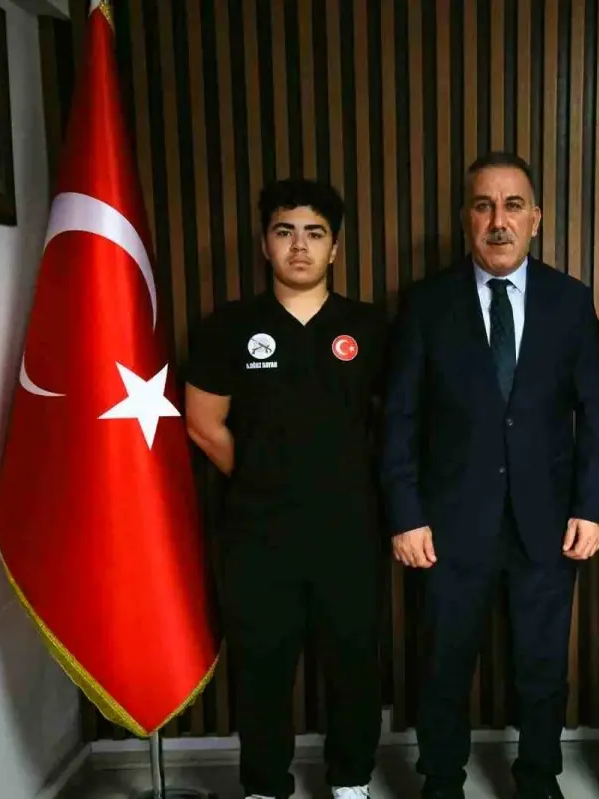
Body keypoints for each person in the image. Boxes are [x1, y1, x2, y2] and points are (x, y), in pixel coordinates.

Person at [381, 151, 599, 799]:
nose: (498, 221)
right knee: (443, 666)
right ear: (465, 218)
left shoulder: (570, 301)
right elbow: (399, 418)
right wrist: (405, 514)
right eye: (484, 206)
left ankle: (538, 776)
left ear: (536, 218)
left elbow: (597, 415)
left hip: (548, 522)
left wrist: (592, 506)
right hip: (448, 525)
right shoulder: (426, 304)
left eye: (513, 206)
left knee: (542, 668)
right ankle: (441, 779)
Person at [184, 179, 385, 799]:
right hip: (259, 534)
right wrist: (265, 476)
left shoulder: (370, 326)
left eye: (314, 233)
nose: (299, 246)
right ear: (265, 243)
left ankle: (350, 781)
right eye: (285, 231)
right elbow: (203, 424)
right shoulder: (228, 327)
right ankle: (265, 785)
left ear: (335, 247)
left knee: (354, 665)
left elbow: (397, 425)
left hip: (350, 531)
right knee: (262, 670)